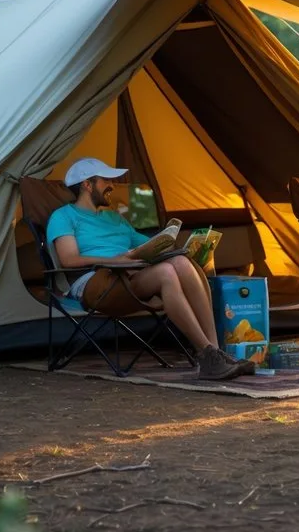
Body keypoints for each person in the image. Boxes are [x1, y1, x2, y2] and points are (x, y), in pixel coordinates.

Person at [47, 157, 254, 381]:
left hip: (129, 275)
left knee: (181, 263)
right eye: (106, 180)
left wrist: (182, 247)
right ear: (87, 184)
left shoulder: (114, 217)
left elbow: (148, 244)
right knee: (166, 273)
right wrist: (118, 259)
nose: (112, 185)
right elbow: (69, 259)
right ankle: (205, 352)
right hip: (93, 282)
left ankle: (215, 354)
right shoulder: (63, 216)